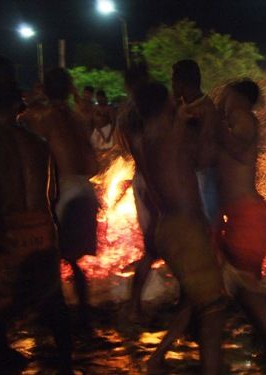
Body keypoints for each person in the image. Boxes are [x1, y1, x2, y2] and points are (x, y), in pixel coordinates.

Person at [147, 80, 266, 375]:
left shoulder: (243, 118)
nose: (220, 98)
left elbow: (238, 149)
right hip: (234, 218)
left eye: (224, 94)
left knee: (245, 292)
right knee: (213, 292)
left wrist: (211, 117)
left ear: (237, 96)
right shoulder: (227, 123)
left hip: (247, 216)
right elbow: (204, 160)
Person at [128, 82, 226, 375]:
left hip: (167, 227)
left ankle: (157, 358)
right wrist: (202, 121)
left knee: (196, 298)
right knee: (213, 311)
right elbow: (205, 158)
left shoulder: (141, 139)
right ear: (164, 105)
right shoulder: (171, 135)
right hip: (185, 230)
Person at [0, 71, 72, 372]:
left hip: (6, 233)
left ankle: (2, 358)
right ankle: (67, 361)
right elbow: (53, 193)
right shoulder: (38, 143)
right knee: (52, 300)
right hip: (43, 229)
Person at [29, 68, 99, 332]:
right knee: (71, 259)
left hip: (64, 192)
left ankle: (53, 319)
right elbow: (93, 164)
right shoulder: (78, 118)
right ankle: (83, 314)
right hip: (84, 189)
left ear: (45, 90)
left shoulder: (44, 118)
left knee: (50, 258)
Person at [114, 60, 160, 321]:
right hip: (151, 180)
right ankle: (134, 306)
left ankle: (135, 305)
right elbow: (142, 150)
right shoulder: (143, 109)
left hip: (144, 179)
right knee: (157, 245)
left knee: (157, 245)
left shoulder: (126, 111)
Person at [172, 59, 220, 223]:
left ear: (182, 82)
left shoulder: (206, 108)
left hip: (204, 177)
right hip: (189, 177)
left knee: (208, 224)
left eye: (173, 80)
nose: (171, 85)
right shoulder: (181, 107)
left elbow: (208, 150)